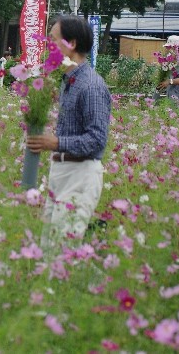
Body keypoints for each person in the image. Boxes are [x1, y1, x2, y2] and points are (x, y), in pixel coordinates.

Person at [26, 15, 112, 253]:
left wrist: (56, 142)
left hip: (81, 174)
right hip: (61, 172)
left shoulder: (91, 86)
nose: (47, 47)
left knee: (63, 250)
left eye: (53, 40)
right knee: (48, 247)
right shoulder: (68, 81)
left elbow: (96, 140)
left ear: (71, 44)